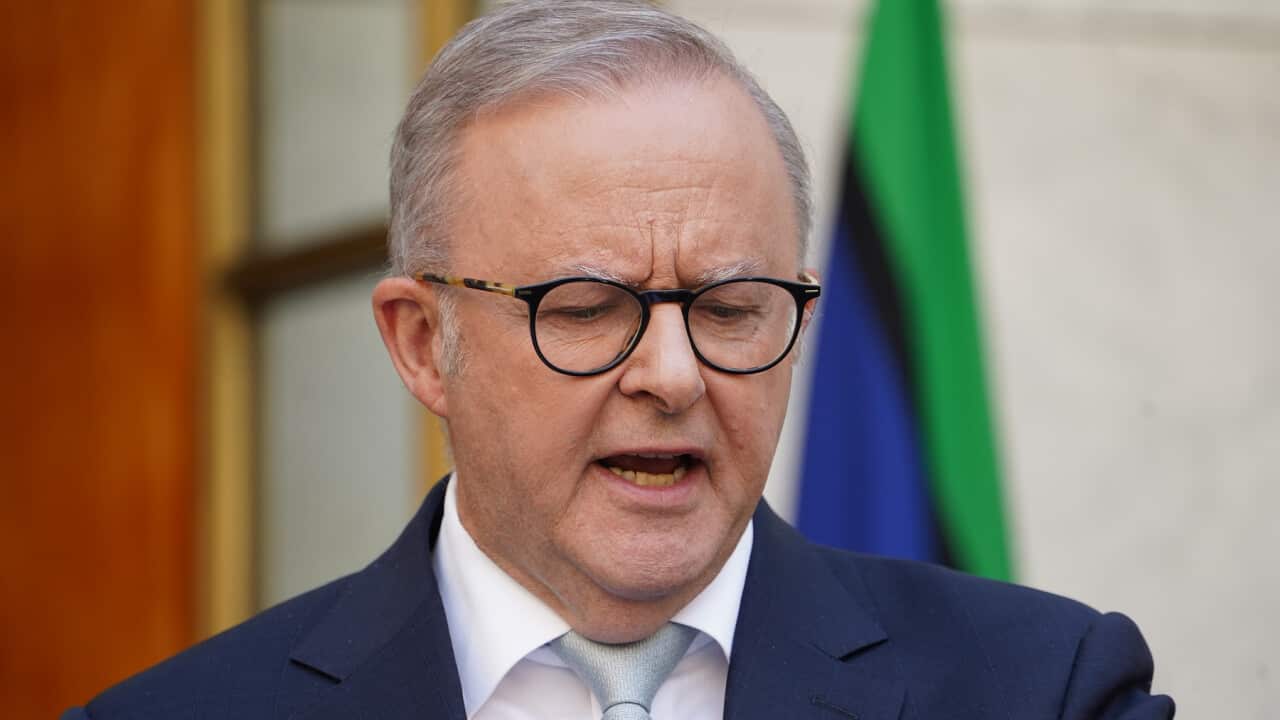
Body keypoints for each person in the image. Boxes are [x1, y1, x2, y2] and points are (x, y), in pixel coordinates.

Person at [65, 1, 1174, 718]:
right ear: (421, 345)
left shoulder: (1044, 692)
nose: (674, 375)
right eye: (588, 309)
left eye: (732, 307)